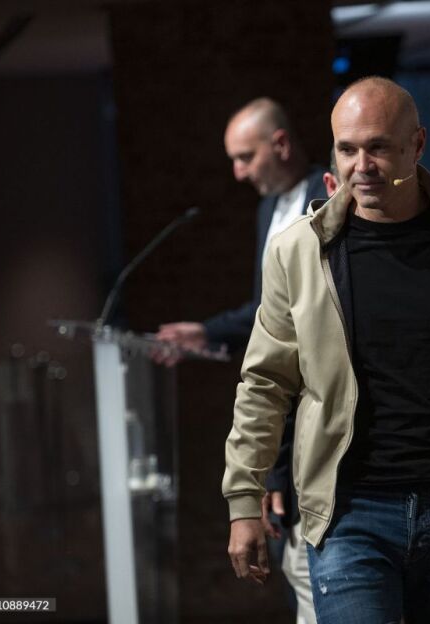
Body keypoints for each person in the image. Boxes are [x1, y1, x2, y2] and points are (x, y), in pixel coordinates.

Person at [224, 76, 430, 623]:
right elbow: (265, 383)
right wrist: (244, 498)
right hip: (347, 515)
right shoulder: (298, 251)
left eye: (378, 147)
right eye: (347, 149)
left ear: (417, 144)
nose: (362, 165)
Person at [157, 97, 325, 624]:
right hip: (280, 417)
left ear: (281, 144)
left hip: (318, 412)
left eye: (245, 157)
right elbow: (267, 311)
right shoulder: (266, 211)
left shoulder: (329, 196)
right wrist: (206, 331)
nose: (238, 172)